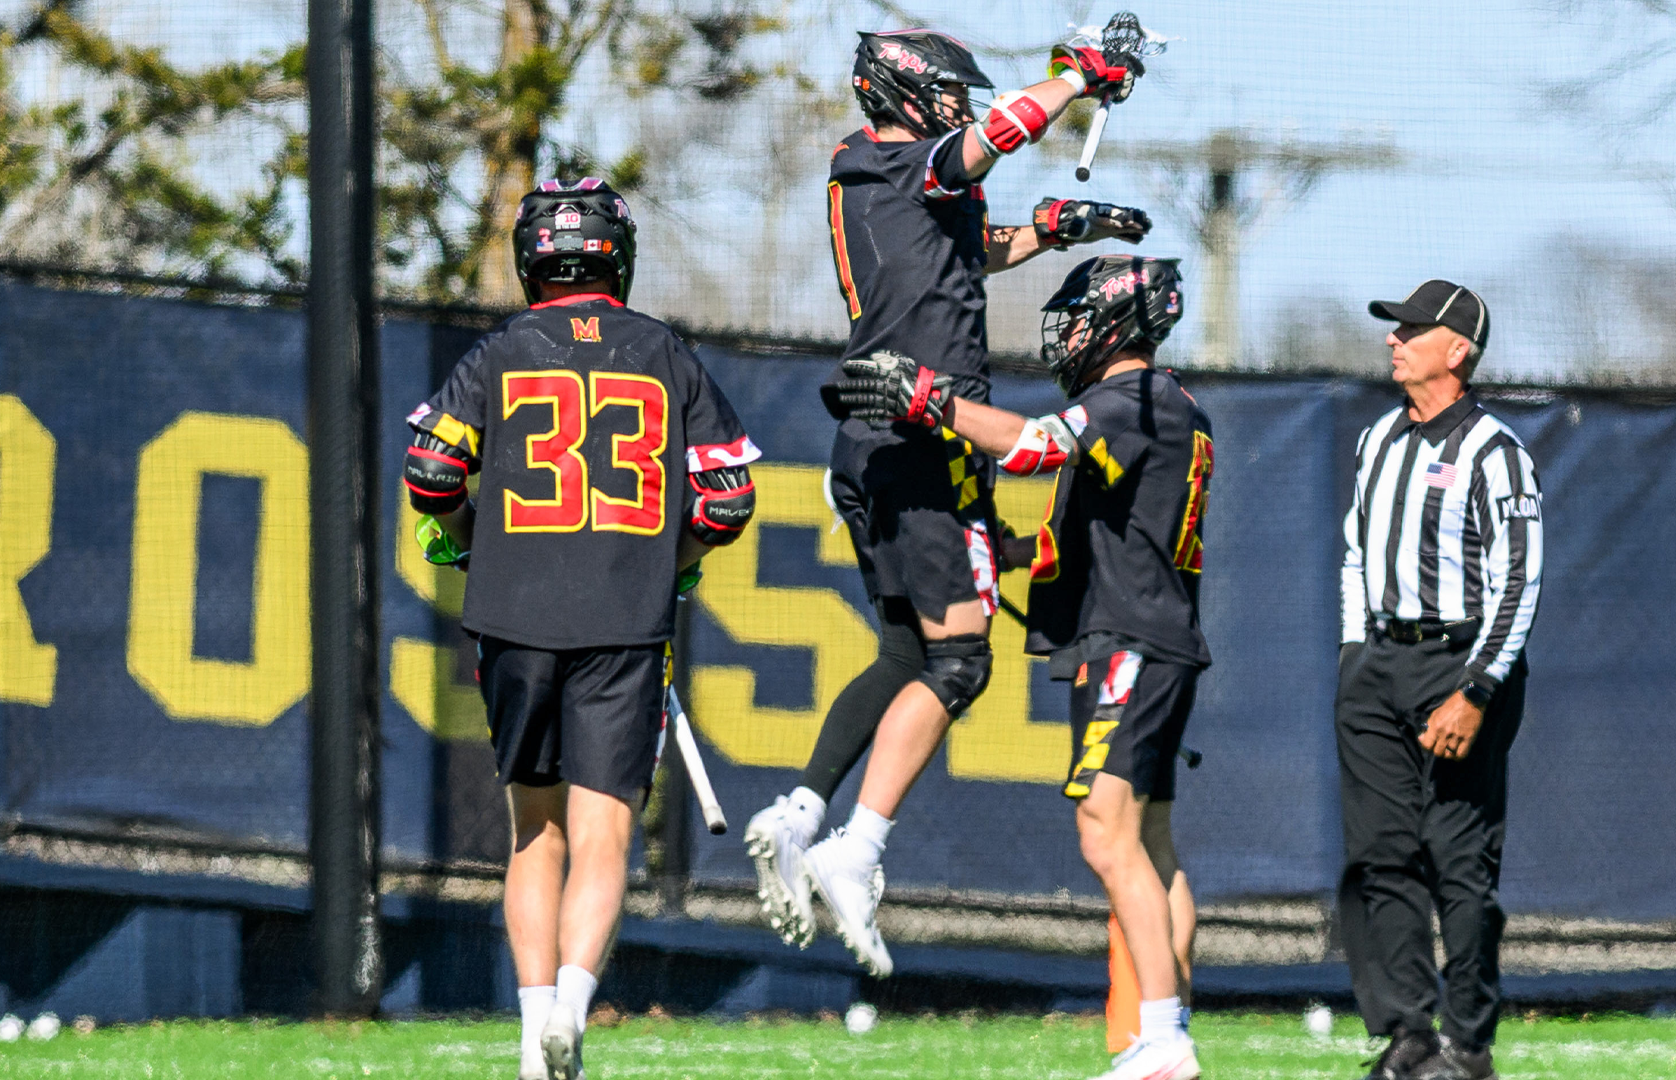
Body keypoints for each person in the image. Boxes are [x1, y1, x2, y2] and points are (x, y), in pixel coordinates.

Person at [743, 25, 1157, 978]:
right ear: (903, 92)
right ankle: (859, 848)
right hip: (921, 434)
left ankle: (802, 810)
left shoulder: (883, 180)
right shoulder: (897, 161)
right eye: (949, 95)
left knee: (906, 650)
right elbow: (989, 144)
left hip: (882, 437)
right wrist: (1070, 80)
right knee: (961, 661)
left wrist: (1062, 229)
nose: (962, 110)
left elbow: (967, 252)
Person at [403, 178, 760, 1080]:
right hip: (625, 622)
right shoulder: (665, 353)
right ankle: (571, 1002)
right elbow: (730, 495)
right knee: (607, 834)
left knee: (535, 832)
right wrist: (672, 558)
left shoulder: (499, 352)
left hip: (511, 620)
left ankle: (532, 1041)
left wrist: (454, 539)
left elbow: (431, 468)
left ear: (533, 261)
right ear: (620, 258)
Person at [829, 254, 1207, 1080]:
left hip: (1131, 647)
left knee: (1106, 835)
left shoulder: (1133, 396)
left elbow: (1035, 446)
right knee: (1150, 843)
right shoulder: (1164, 405)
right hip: (1150, 638)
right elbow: (1108, 533)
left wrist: (928, 401)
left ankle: (1164, 1038)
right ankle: (1168, 1025)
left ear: (1117, 321)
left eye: (1078, 316)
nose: (1064, 334)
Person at [1336, 281, 1542, 1080]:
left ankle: (1468, 1043)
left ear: (1457, 350)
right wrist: (1355, 652)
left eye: (1412, 330)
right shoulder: (1377, 439)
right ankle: (1405, 1034)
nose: (1395, 340)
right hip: (1377, 663)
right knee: (1378, 856)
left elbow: (1519, 581)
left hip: (1458, 664)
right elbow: (1354, 551)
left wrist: (1478, 689)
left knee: (1459, 860)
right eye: (1394, 328)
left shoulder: (1495, 451)